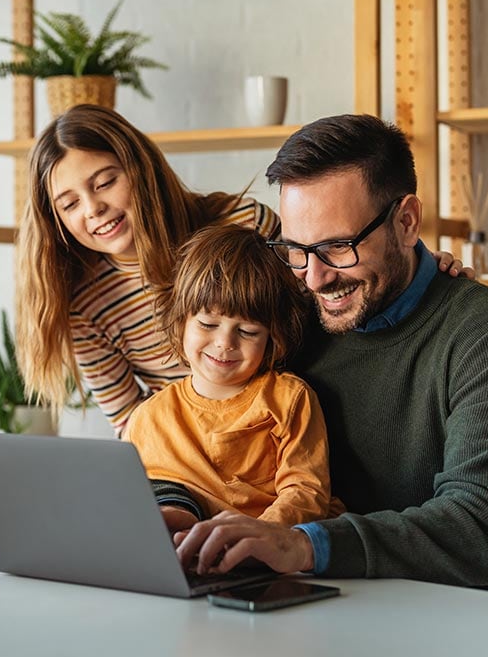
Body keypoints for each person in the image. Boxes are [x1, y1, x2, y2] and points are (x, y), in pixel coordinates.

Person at [175, 114, 488, 595]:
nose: (314, 277)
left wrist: (302, 545)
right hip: (303, 607)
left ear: (407, 221)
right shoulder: (290, 320)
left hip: (449, 627)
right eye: (296, 249)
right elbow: (205, 423)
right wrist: (173, 504)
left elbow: (479, 530)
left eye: (337, 246)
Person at [15, 104, 470, 438]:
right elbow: (132, 428)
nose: (93, 210)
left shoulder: (241, 223)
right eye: (69, 203)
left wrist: (422, 269)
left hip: (297, 425)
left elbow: (333, 290)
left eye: (105, 182)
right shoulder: (84, 307)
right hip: (193, 456)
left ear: (139, 170)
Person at [125, 223, 340, 529]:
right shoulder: (147, 419)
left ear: (272, 338)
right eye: (208, 324)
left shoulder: (289, 399)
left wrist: (260, 538)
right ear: (181, 322)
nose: (225, 343)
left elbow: (306, 494)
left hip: (274, 554)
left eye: (247, 331)